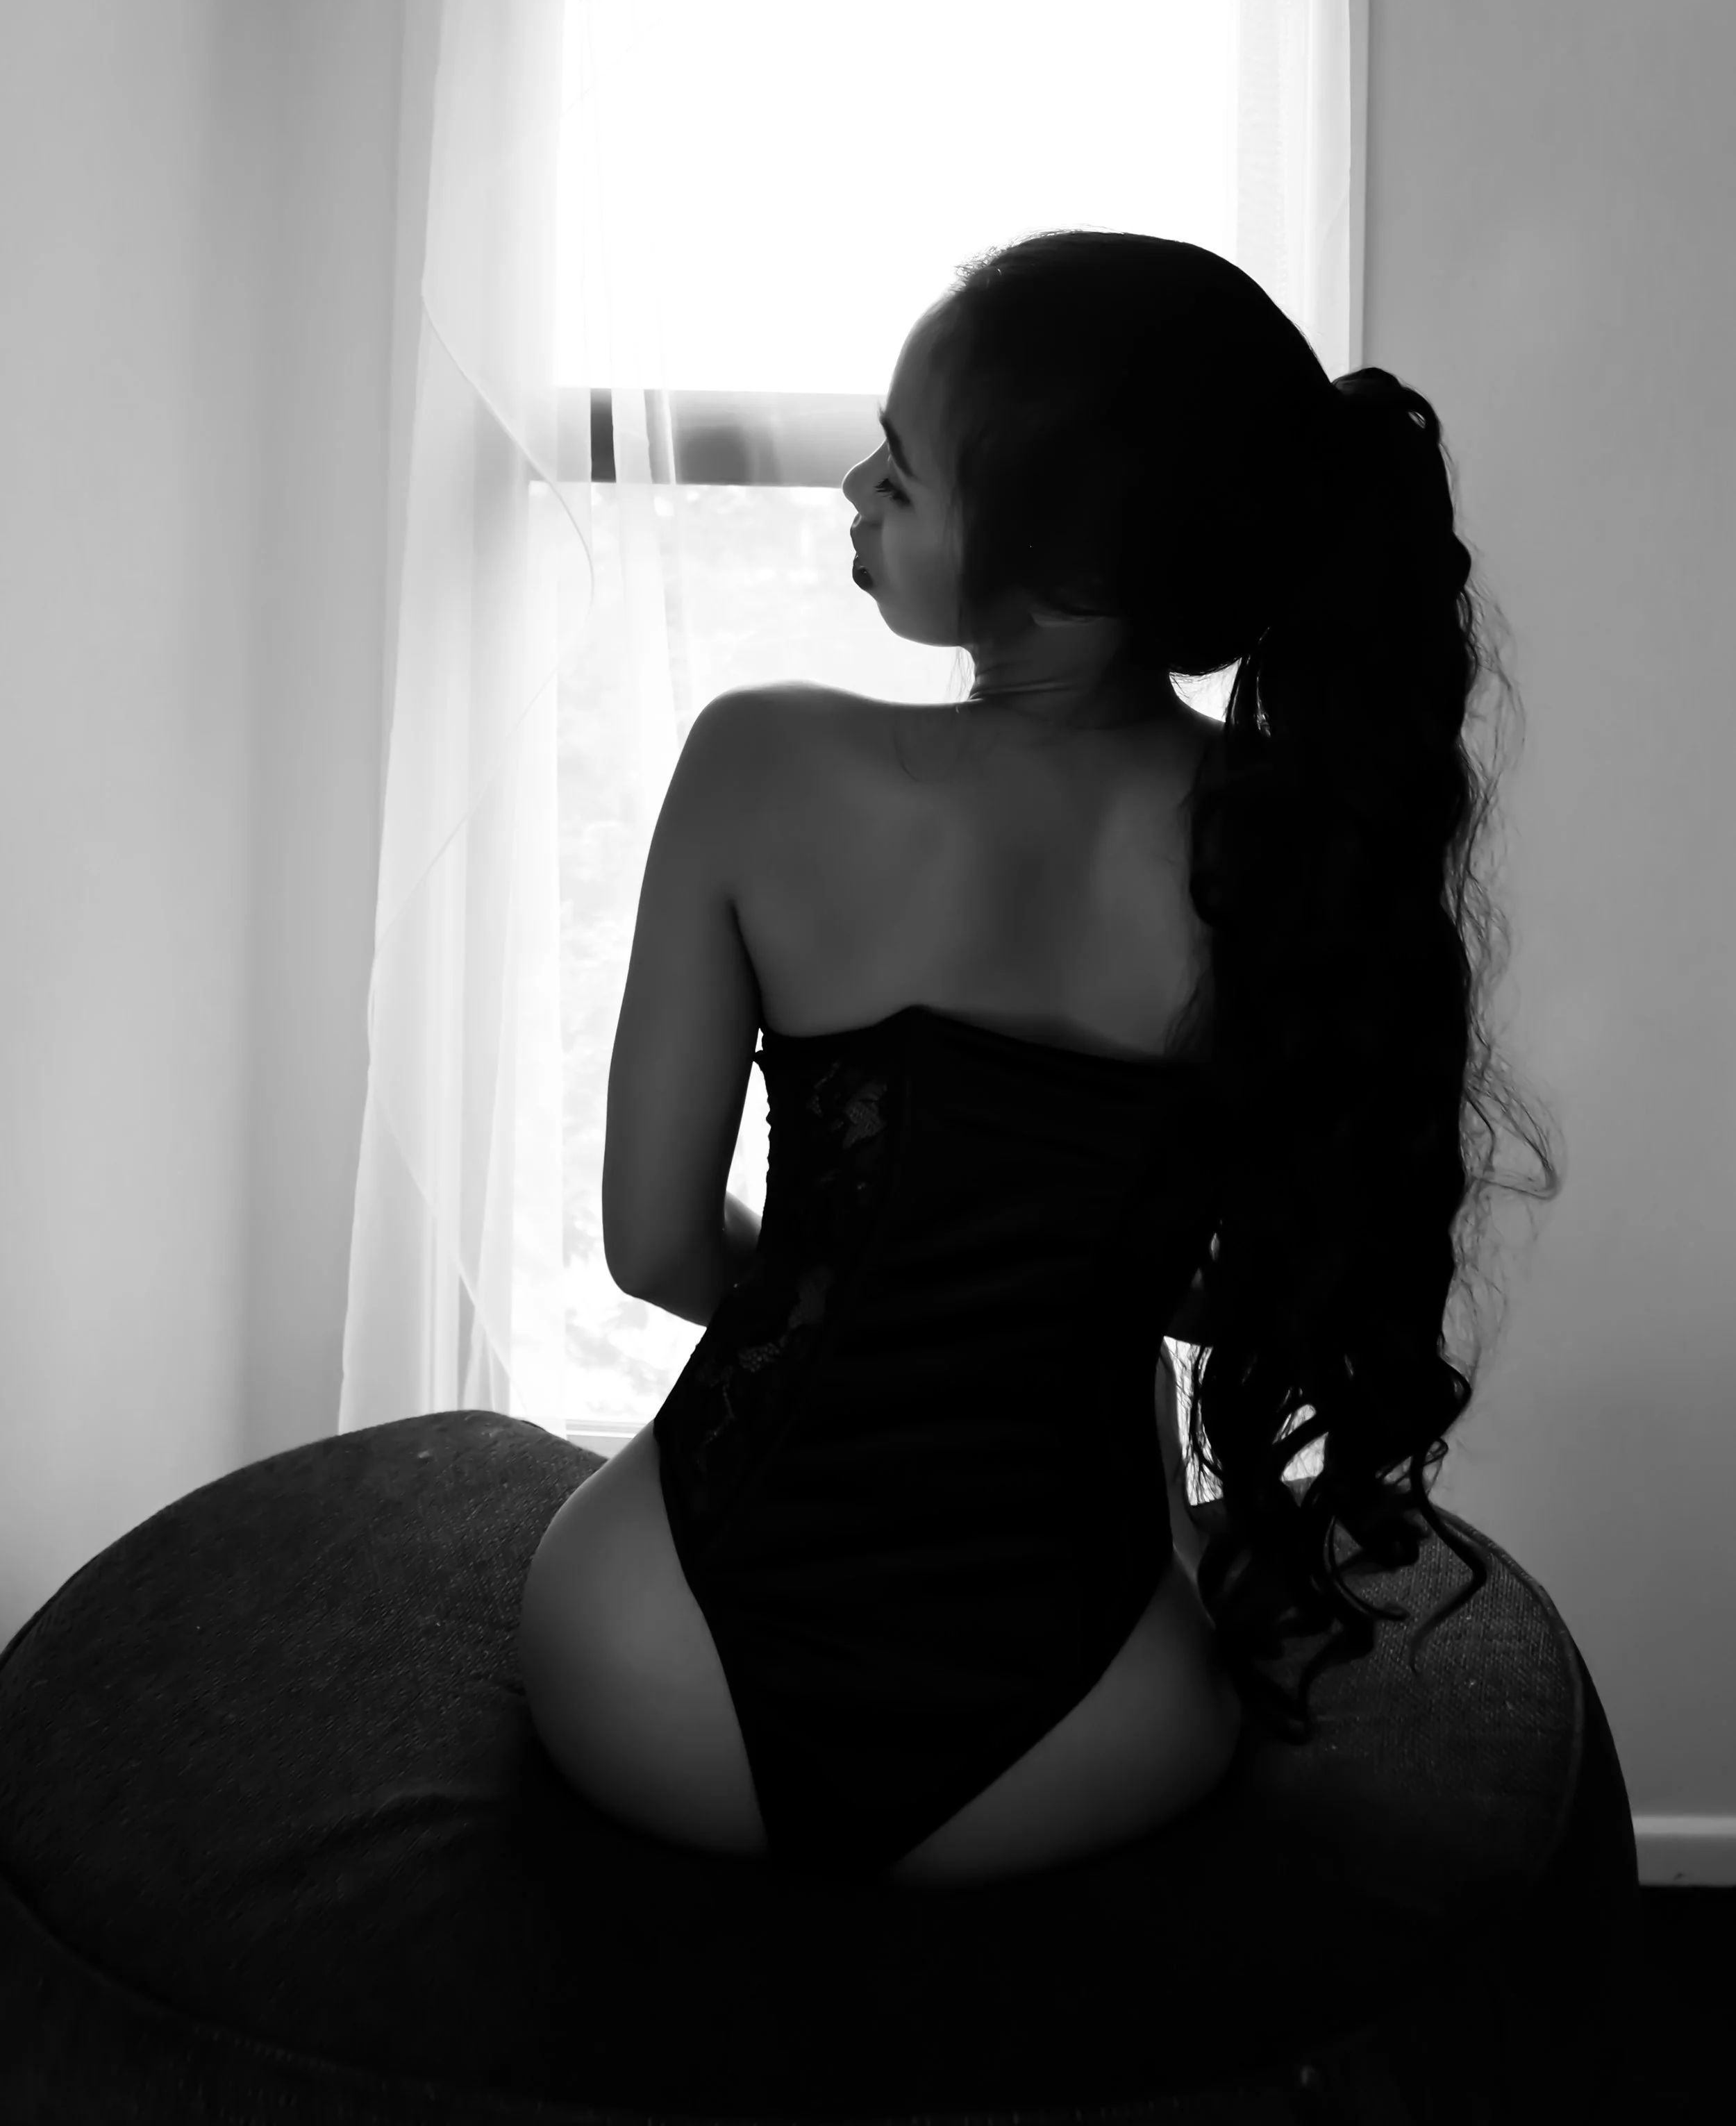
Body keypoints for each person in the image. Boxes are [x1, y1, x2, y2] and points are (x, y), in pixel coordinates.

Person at [521, 229, 1559, 1883]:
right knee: (1126, 1411)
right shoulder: (1293, 850)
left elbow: (653, 1247)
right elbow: (1274, 1281)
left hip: (664, 1679)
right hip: (1074, 1739)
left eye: (905, 473)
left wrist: (858, 1310)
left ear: (1062, 564)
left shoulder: (759, 763)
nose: (853, 488)